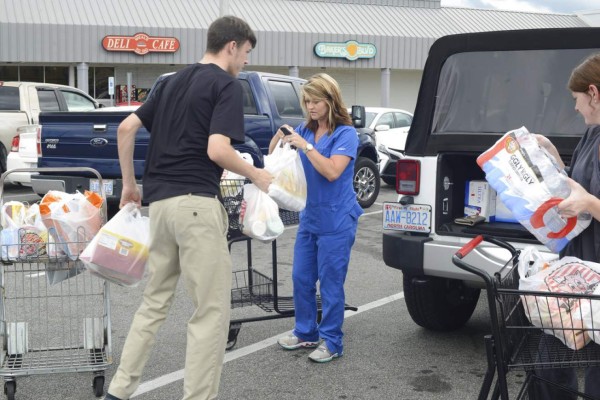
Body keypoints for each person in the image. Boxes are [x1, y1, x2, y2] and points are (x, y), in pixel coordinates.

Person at [104, 16, 272, 400]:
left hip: (160, 208)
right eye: (246, 53)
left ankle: (120, 389)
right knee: (210, 313)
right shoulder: (226, 86)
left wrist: (130, 186)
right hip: (197, 205)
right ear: (232, 46)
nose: (245, 61)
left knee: (154, 302)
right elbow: (218, 150)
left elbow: (125, 129)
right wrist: (257, 175)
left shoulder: (171, 83)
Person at [270, 73, 363, 363]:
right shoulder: (305, 129)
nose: (310, 107)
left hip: (337, 218)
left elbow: (333, 171)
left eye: (316, 101)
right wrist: (281, 133)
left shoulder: (345, 134)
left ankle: (333, 341)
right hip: (310, 216)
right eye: (306, 101)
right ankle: (305, 331)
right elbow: (274, 155)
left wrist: (306, 147)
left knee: (331, 283)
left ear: (331, 101)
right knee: (301, 278)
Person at [533, 52, 600, 399]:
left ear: (593, 92)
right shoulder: (592, 133)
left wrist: (589, 204)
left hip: (596, 275)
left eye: (576, 100)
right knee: (550, 356)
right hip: (579, 270)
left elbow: (587, 197)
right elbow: (577, 183)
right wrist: (552, 154)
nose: (575, 108)